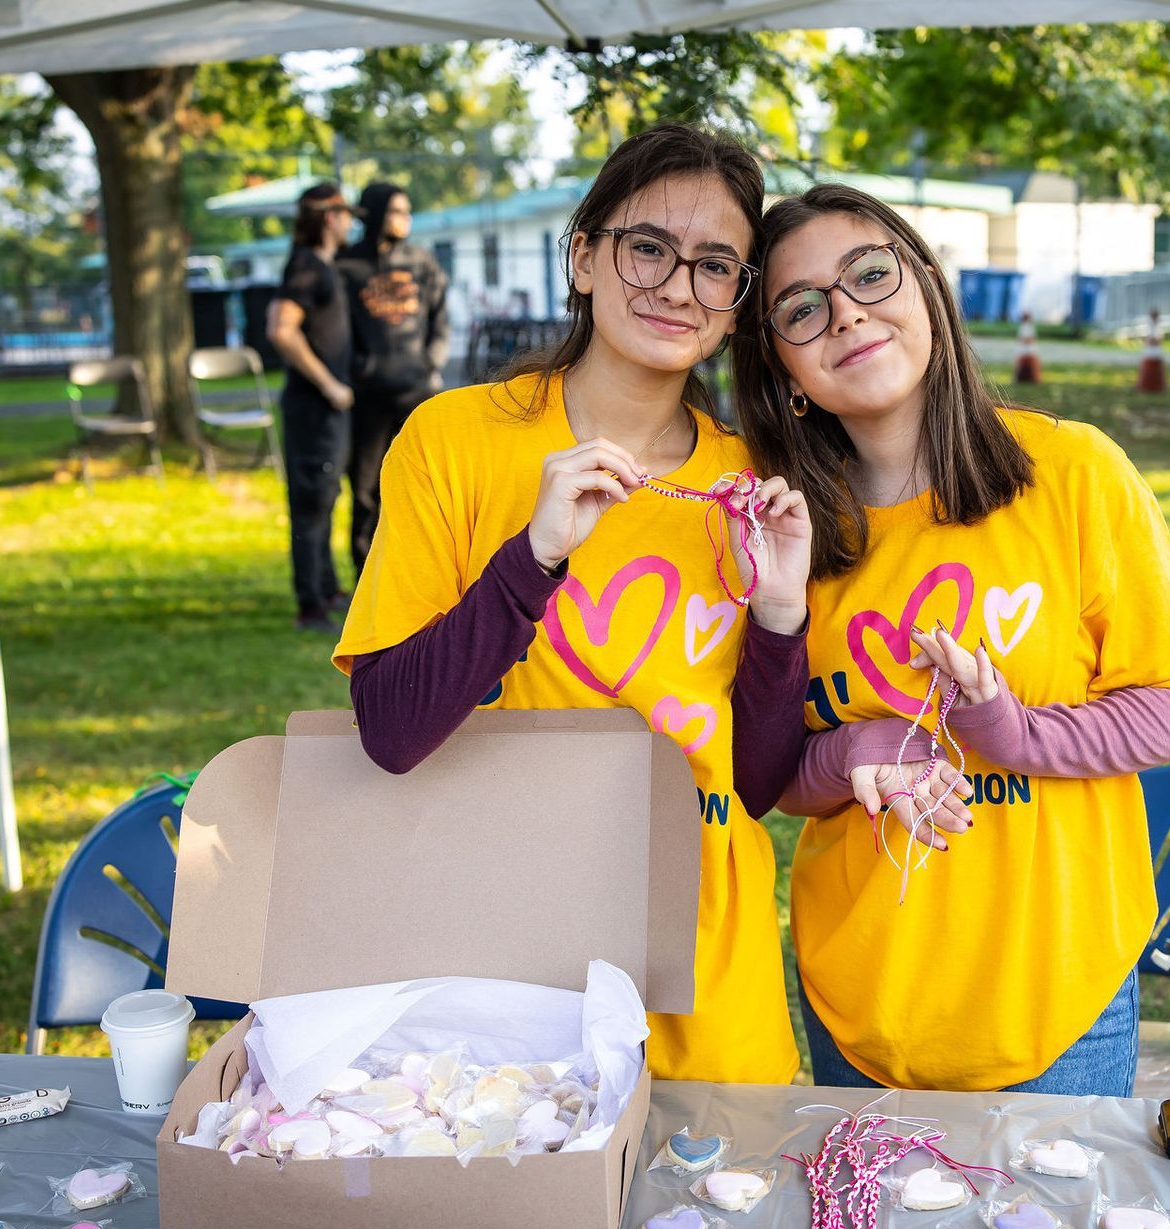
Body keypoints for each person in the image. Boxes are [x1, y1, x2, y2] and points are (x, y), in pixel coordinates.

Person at [332, 123, 811, 1085]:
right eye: (648, 248)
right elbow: (390, 728)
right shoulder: (455, 441)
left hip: (707, 972)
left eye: (715, 266)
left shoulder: (753, 484)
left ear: (736, 305)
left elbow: (755, 785)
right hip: (506, 966)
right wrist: (534, 555)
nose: (678, 287)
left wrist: (779, 618)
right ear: (585, 256)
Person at [732, 184, 1170, 1095]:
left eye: (869, 274)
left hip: (1055, 1010)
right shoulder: (788, 534)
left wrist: (1016, 734)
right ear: (784, 370)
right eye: (802, 309)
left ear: (928, 287)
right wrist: (858, 751)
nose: (846, 314)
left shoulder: (1074, 474)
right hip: (858, 1004)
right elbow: (774, 779)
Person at [337, 182, 451, 573]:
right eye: (395, 211)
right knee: (366, 486)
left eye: (407, 211)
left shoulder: (421, 263)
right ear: (373, 214)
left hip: (416, 391)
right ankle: (364, 572)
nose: (404, 219)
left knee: (420, 483)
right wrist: (359, 370)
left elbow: (440, 320)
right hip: (367, 396)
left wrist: (429, 364)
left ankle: (417, 569)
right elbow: (335, 330)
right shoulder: (346, 266)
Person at [268, 183, 356, 634]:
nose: (351, 223)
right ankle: (310, 606)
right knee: (310, 504)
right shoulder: (305, 265)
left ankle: (327, 587)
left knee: (327, 497)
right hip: (314, 409)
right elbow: (281, 329)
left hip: (330, 409)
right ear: (330, 217)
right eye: (346, 215)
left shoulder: (324, 266)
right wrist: (328, 384)